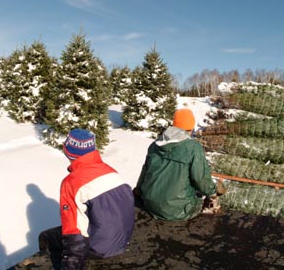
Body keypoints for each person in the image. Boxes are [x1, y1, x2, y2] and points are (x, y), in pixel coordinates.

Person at [38, 128, 135, 270]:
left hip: (100, 248)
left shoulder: (71, 183)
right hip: (123, 240)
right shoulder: (111, 171)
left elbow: (74, 231)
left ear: (68, 150)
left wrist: (71, 265)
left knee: (47, 236)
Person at [134, 108, 223, 221]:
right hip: (179, 210)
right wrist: (214, 190)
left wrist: (138, 190)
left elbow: (145, 171)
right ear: (191, 128)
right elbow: (201, 180)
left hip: (150, 204)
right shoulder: (193, 147)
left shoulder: (155, 145)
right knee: (202, 196)